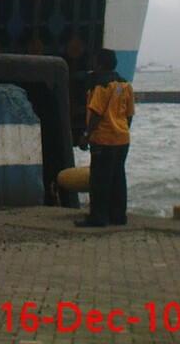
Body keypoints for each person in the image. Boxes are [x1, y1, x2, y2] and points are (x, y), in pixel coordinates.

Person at [77, 48, 135, 228]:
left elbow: (95, 113)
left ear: (100, 64)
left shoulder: (100, 86)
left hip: (103, 139)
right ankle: (118, 216)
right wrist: (122, 131)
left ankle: (98, 217)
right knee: (118, 177)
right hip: (122, 138)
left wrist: (86, 136)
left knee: (99, 180)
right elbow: (129, 114)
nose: (92, 64)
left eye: (94, 61)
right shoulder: (125, 84)